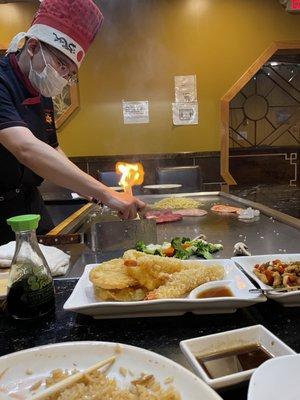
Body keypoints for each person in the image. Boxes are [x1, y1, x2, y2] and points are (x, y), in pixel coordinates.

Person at [0, 0, 145, 244]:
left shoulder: (40, 90)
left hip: (29, 203)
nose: (62, 77)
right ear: (33, 47)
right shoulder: (3, 81)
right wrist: (105, 193)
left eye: (69, 73)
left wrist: (92, 192)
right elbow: (25, 148)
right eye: (61, 65)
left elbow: (53, 148)